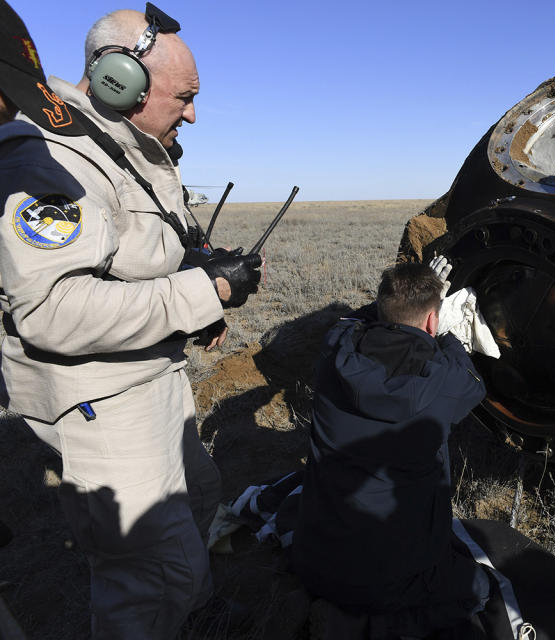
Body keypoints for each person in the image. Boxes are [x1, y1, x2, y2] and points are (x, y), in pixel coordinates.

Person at [0, 3, 262, 637]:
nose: (194, 113)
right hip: (103, 400)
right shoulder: (49, 158)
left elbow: (126, 261)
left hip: (150, 376)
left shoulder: (112, 148)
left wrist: (194, 274)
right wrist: (205, 291)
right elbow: (52, 310)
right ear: (122, 78)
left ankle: (195, 617)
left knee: (196, 502)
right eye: (186, 96)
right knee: (147, 571)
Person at [292, 261, 490, 639]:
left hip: (312, 559)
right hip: (387, 583)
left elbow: (354, 319)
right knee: (478, 589)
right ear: (432, 323)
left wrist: (400, 301)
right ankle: (357, 626)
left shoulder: (335, 348)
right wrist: (447, 336)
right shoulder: (445, 383)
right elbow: (473, 381)